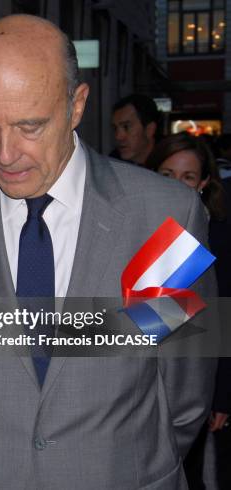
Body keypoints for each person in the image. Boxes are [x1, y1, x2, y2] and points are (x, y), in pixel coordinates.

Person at [0, 14, 216, 489]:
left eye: (29, 126)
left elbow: (184, 392)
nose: (5, 154)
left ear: (77, 105)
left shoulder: (167, 218)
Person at [146, 132, 231, 490]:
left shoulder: (216, 235)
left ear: (204, 183)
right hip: (141, 377)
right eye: (167, 175)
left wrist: (220, 394)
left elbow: (221, 318)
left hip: (192, 381)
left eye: (188, 177)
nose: (178, 187)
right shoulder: (134, 227)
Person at [111, 93, 160, 165]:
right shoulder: (113, 163)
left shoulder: (169, 163)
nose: (118, 137)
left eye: (126, 127)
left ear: (149, 130)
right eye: (115, 128)